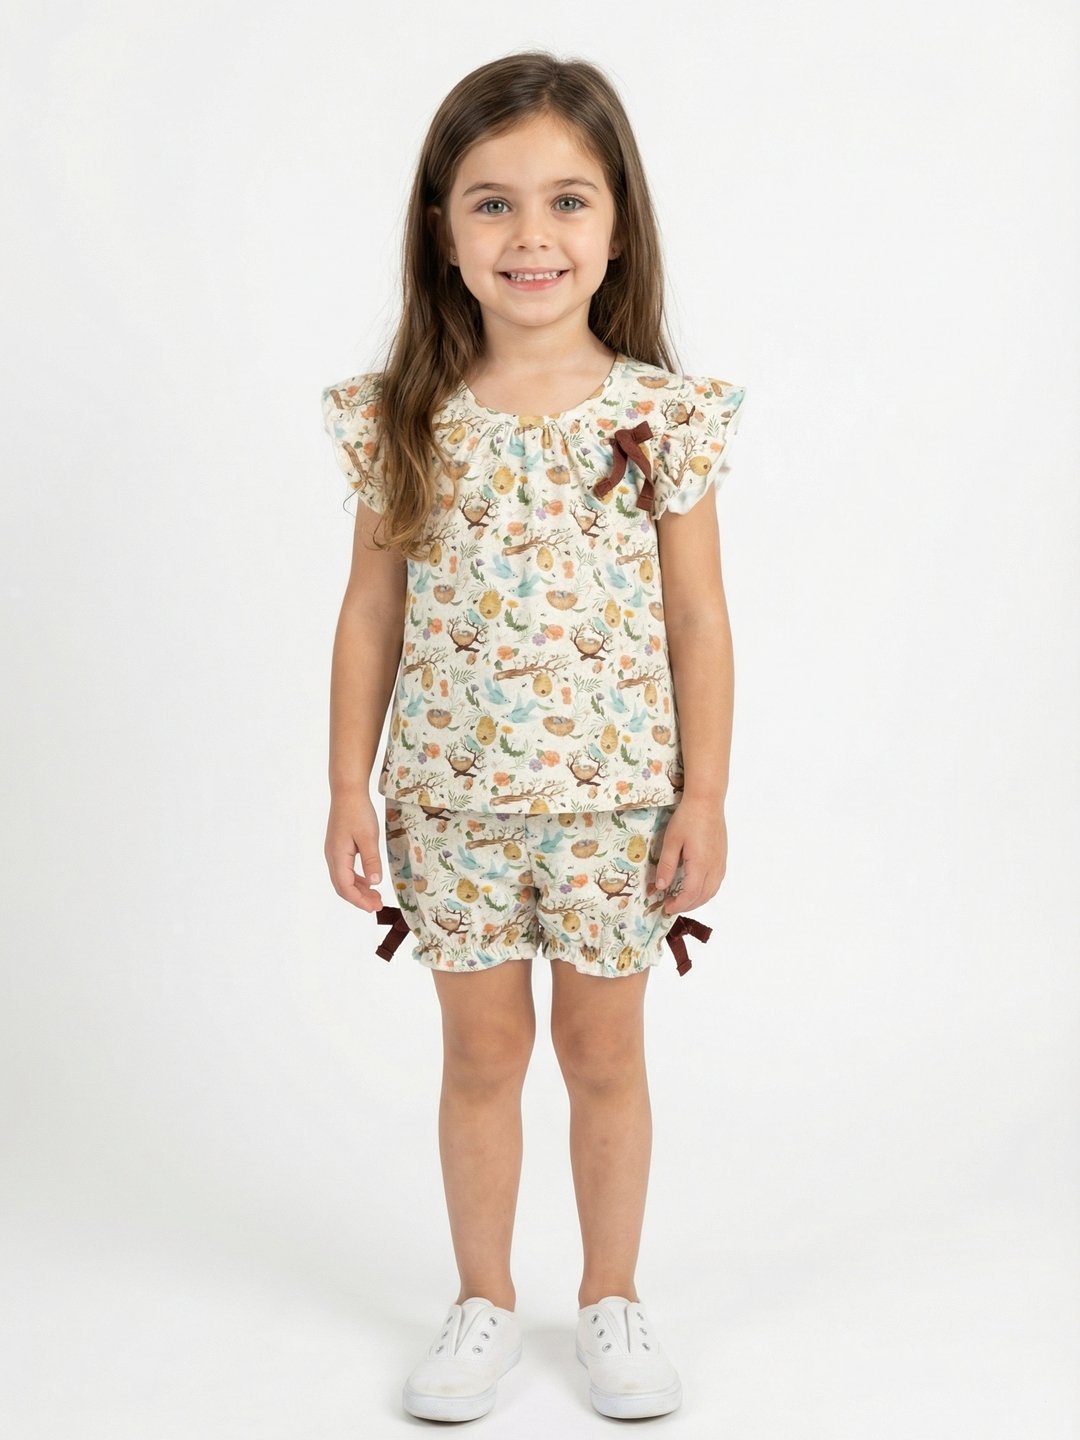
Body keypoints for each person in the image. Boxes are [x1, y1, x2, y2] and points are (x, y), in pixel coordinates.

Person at [320, 50, 747, 1424]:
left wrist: (705, 796)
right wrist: (347, 784)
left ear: (616, 223)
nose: (532, 235)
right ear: (442, 231)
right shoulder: (405, 418)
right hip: (450, 807)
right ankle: (484, 1302)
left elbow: (698, 617)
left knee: (605, 1057)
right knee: (482, 1057)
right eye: (492, 203)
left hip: (618, 806)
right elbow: (371, 610)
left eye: (568, 200)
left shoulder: (658, 417)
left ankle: (611, 1297)